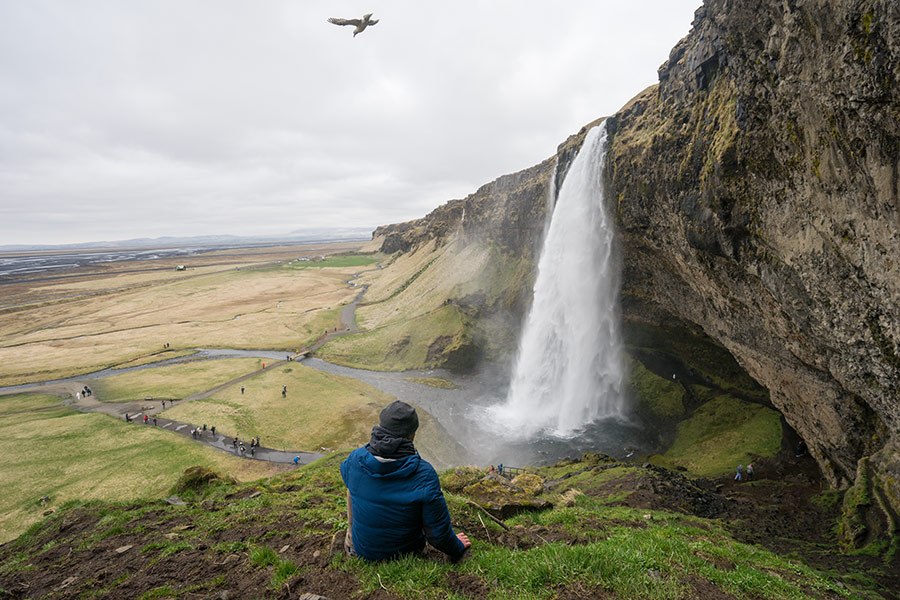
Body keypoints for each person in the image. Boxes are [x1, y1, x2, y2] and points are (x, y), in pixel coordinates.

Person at [340, 400, 471, 562]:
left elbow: (345, 475)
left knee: (353, 485)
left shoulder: (355, 459)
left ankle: (352, 543)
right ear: (412, 435)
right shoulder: (424, 474)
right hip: (405, 555)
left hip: (363, 551)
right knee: (423, 502)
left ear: (380, 428)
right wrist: (457, 547)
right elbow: (438, 536)